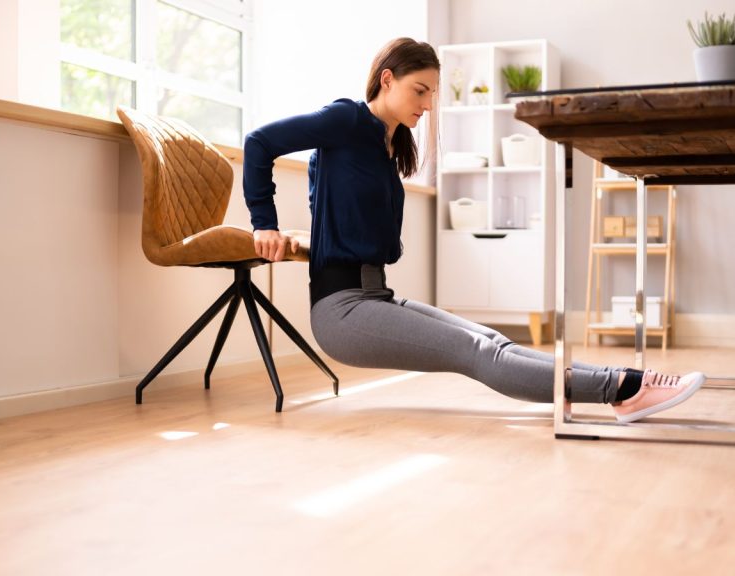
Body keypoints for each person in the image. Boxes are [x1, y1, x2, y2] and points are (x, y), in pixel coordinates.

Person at [242, 37, 705, 423]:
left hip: (374, 296)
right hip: (342, 311)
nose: (426, 105)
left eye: (431, 96)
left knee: (492, 340)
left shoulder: (385, 145)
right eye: (419, 91)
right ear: (387, 78)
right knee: (478, 354)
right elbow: (259, 143)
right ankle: (620, 389)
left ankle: (627, 380)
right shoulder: (346, 120)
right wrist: (265, 222)